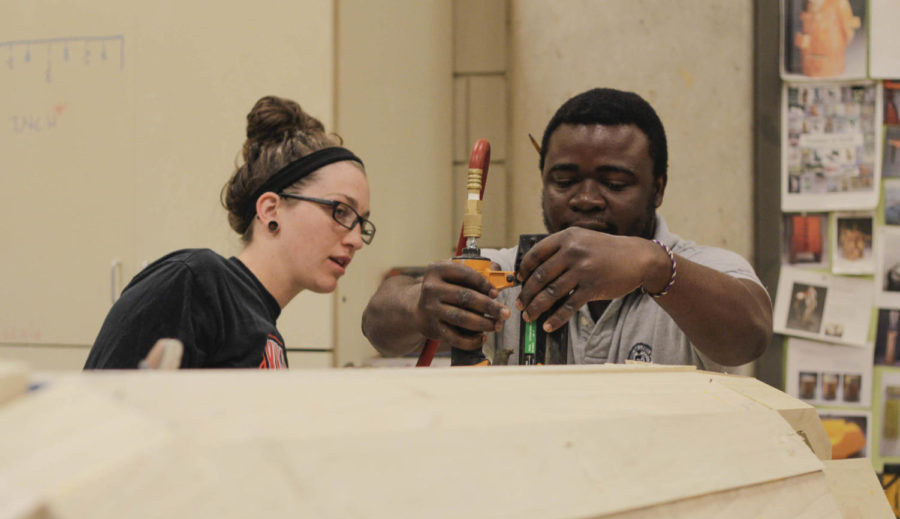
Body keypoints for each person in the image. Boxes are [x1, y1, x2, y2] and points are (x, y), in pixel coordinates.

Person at [362, 87, 772, 370]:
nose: (586, 199)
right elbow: (379, 324)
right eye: (564, 180)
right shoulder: (508, 273)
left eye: (614, 183)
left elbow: (750, 336)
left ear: (658, 188)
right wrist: (421, 304)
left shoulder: (697, 269)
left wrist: (654, 265)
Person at [84, 96, 374, 369]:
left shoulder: (265, 333)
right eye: (341, 211)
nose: (356, 239)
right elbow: (105, 409)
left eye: (362, 222)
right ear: (271, 211)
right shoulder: (192, 281)